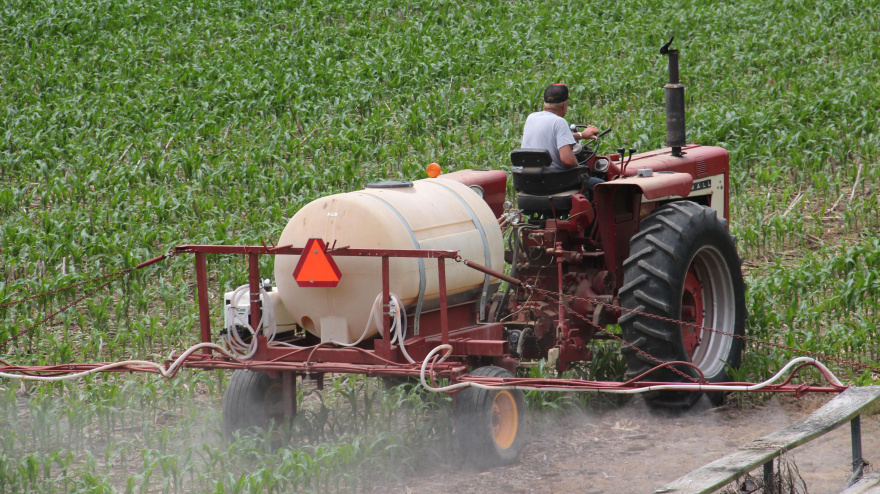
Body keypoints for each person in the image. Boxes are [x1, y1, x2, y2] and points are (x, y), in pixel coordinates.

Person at [521, 83, 599, 171]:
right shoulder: (559, 122)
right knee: (595, 181)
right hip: (555, 180)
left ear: (545, 103)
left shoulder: (531, 117)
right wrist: (580, 169)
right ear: (564, 105)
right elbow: (568, 161)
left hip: (529, 178)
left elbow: (550, 137)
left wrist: (581, 135)